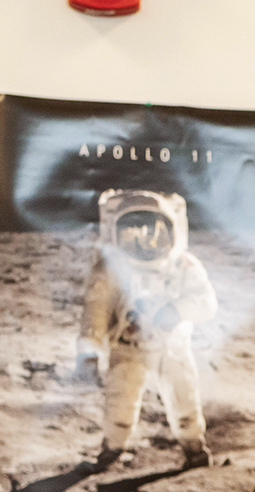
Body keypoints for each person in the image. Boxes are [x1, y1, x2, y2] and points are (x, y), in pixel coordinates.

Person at [76, 188, 218, 470]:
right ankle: (112, 447)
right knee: (120, 404)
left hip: (172, 349)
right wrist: (89, 353)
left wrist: (177, 312)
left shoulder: (182, 264)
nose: (145, 240)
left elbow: (205, 302)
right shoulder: (111, 269)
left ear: (171, 229)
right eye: (132, 231)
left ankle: (193, 446)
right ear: (117, 233)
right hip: (127, 348)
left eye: (155, 230)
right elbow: (96, 312)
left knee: (184, 400)